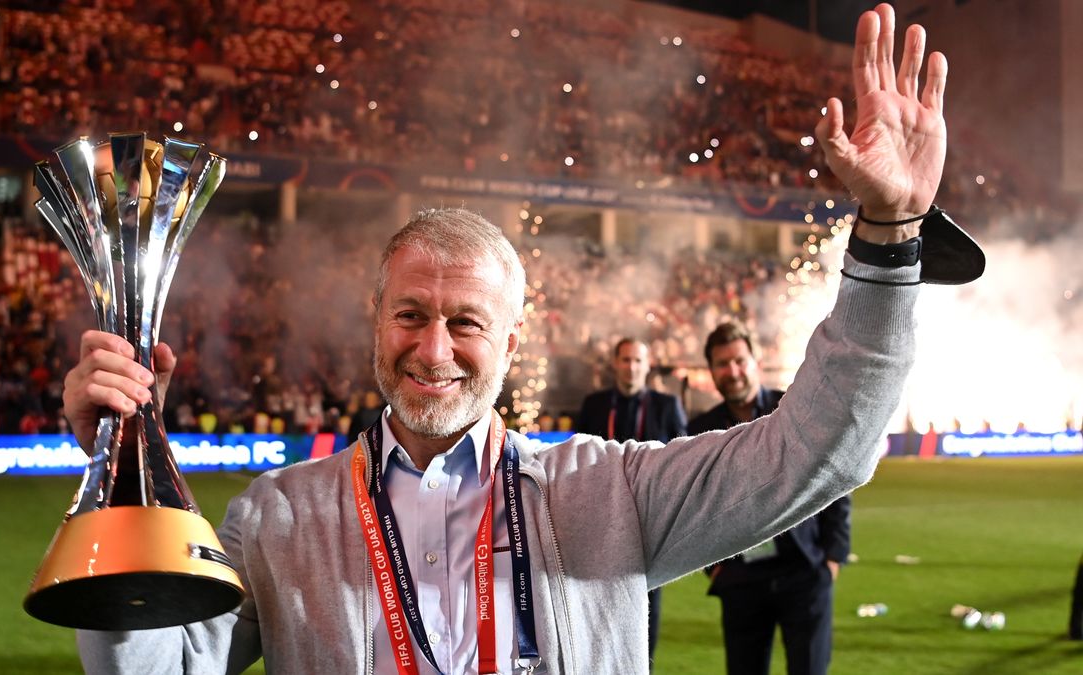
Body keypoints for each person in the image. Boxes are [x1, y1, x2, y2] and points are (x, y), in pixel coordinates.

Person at [67, 5, 949, 672]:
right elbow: (163, 664)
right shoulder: (279, 517)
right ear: (376, 321)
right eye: (410, 314)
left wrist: (890, 232)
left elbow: (815, 451)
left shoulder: (610, 492)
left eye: (465, 322)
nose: (434, 349)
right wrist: (119, 466)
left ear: (514, 339)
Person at [689, 321, 850, 675]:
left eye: (739, 360)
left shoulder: (794, 408)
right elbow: (693, 506)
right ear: (712, 371)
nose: (732, 371)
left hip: (804, 572)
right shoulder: (700, 430)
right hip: (742, 580)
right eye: (722, 364)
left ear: (755, 361)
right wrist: (713, 567)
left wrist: (833, 556)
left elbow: (835, 475)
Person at [575, 338, 687, 666]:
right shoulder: (594, 405)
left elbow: (679, 464)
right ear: (615, 364)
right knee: (597, 618)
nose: (631, 367)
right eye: (625, 360)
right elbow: (578, 460)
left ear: (648, 365)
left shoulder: (667, 406)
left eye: (638, 360)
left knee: (644, 622)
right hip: (601, 522)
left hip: (649, 525)